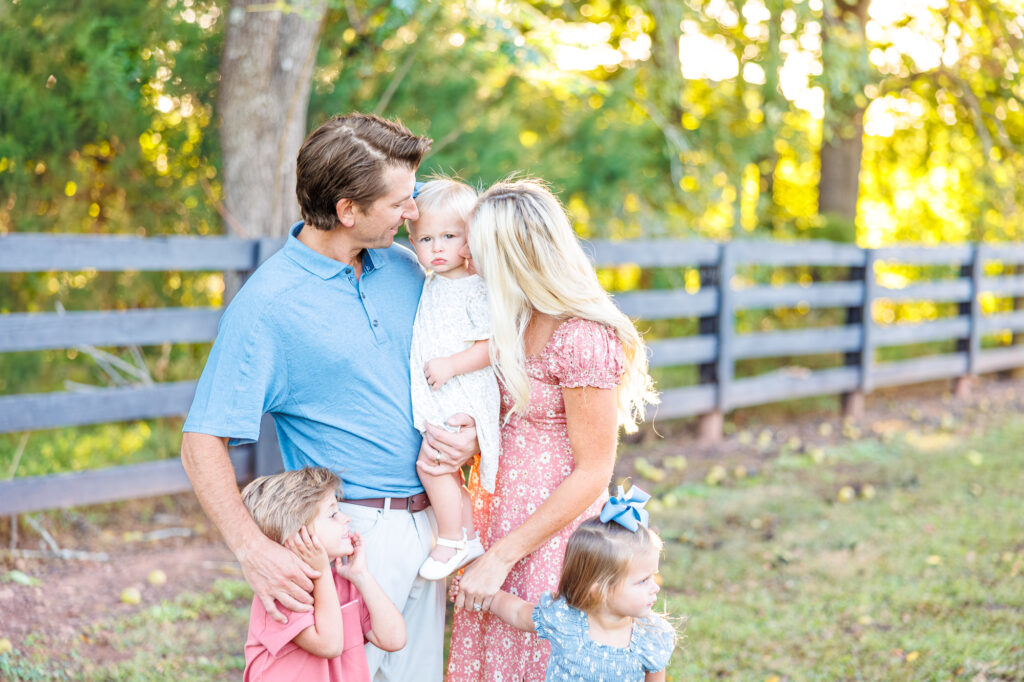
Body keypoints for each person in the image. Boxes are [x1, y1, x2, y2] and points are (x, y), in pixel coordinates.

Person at [180, 113, 479, 682]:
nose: (413, 212)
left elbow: (461, 363)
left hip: (436, 525)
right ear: (347, 211)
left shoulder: (409, 268)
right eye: (399, 202)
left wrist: (468, 437)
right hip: (348, 533)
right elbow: (201, 441)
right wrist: (252, 549)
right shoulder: (268, 306)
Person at [446, 177, 658, 681]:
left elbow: (594, 469)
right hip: (499, 517)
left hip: (552, 536)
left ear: (514, 255)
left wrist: (502, 557)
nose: (466, 258)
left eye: (477, 248)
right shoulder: (513, 319)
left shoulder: (581, 336)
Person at [450, 486, 676, 682]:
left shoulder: (652, 637)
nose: (655, 587)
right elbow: (518, 613)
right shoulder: (564, 618)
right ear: (600, 591)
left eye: (653, 576)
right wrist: (483, 595)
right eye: (643, 580)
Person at [406, 178, 500, 580]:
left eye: (449, 236)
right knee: (445, 468)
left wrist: (451, 365)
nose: (438, 248)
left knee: (432, 465)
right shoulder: (434, 282)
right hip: (445, 390)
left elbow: (493, 346)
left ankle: (449, 539)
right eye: (426, 239)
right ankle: (469, 535)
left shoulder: (475, 288)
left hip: (463, 389)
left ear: (470, 238)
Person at [240, 467, 406, 681]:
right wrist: (322, 571)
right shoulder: (282, 591)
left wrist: (362, 576)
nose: (346, 518)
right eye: (332, 514)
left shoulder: (345, 584)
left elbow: (394, 639)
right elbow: (329, 645)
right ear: (299, 534)